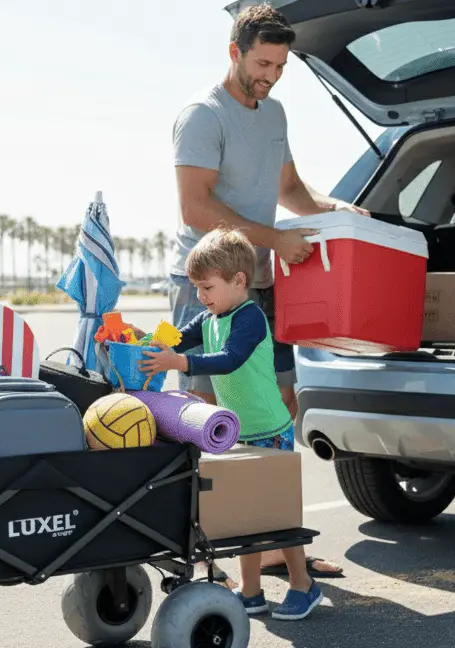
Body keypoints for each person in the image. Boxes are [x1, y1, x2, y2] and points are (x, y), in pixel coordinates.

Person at [169, 3, 367, 580]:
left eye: (280, 66)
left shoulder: (274, 112)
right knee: (207, 415)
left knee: (280, 409)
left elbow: (291, 190)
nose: (271, 76)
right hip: (205, 285)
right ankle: (208, 550)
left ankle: (281, 545)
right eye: (262, 63)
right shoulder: (203, 116)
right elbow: (196, 207)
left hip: (260, 283)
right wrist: (276, 239)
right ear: (234, 52)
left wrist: (348, 216)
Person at [137, 228, 322, 620]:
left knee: (278, 515)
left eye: (206, 287)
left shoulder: (250, 318)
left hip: (271, 431)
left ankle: (303, 585)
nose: (200, 296)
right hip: (240, 432)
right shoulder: (209, 317)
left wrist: (179, 363)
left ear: (239, 281)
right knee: (247, 515)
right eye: (196, 287)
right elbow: (176, 337)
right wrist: (144, 340)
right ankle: (251, 592)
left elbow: (229, 358)